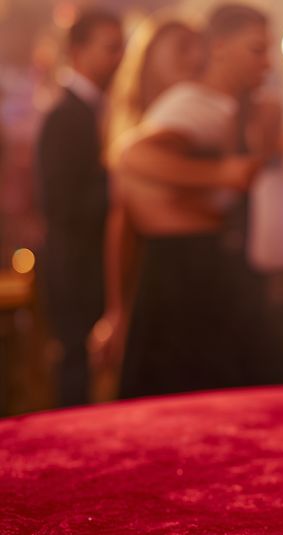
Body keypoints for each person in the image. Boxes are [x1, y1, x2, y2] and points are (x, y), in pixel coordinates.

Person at [109, 4, 270, 398]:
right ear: (218, 48)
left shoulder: (234, 105)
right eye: (256, 50)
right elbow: (132, 156)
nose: (266, 62)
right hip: (180, 277)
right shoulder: (195, 103)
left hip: (206, 271)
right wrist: (223, 175)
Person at [89, 17, 203, 394]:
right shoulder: (134, 124)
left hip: (204, 269)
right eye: (182, 48)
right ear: (150, 59)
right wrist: (116, 310)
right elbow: (122, 221)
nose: (195, 57)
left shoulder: (204, 116)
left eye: (196, 46)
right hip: (157, 275)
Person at [34, 9, 124, 407]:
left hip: (93, 261)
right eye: (110, 48)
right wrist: (123, 190)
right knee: (77, 368)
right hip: (75, 264)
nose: (118, 58)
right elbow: (58, 203)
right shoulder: (64, 114)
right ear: (77, 51)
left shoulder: (100, 110)